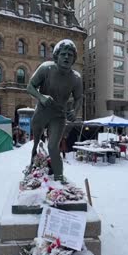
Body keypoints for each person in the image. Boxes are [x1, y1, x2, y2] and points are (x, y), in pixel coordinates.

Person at [27, 39, 83, 182]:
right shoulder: (46, 68)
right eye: (63, 54)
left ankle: (58, 176)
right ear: (56, 56)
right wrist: (41, 97)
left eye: (70, 55)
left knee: (53, 147)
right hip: (41, 112)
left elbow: (79, 98)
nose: (66, 57)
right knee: (36, 142)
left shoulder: (76, 78)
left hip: (59, 115)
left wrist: (75, 111)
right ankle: (31, 167)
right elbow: (30, 86)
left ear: (74, 58)